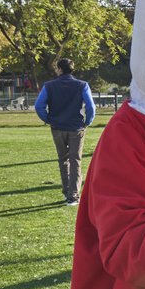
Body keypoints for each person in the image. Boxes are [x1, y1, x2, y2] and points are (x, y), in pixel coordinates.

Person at [34, 57, 96, 206]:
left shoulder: (49, 86)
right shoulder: (82, 85)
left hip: (57, 128)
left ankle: (67, 191)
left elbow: (38, 106)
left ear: (59, 69)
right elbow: (91, 107)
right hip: (76, 127)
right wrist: (87, 121)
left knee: (63, 160)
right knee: (75, 160)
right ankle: (73, 195)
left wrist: (48, 119)